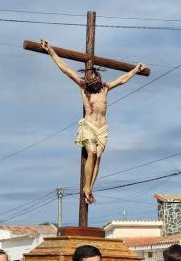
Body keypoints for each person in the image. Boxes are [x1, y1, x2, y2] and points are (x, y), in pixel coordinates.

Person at [39, 39, 146, 205]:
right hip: (88, 126)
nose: (95, 85)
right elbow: (66, 70)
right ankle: (86, 187)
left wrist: (135, 70)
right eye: (93, 83)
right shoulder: (83, 86)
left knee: (99, 156)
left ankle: (89, 188)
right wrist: (50, 50)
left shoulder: (105, 88)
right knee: (92, 152)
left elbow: (122, 79)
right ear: (89, 82)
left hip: (102, 128)